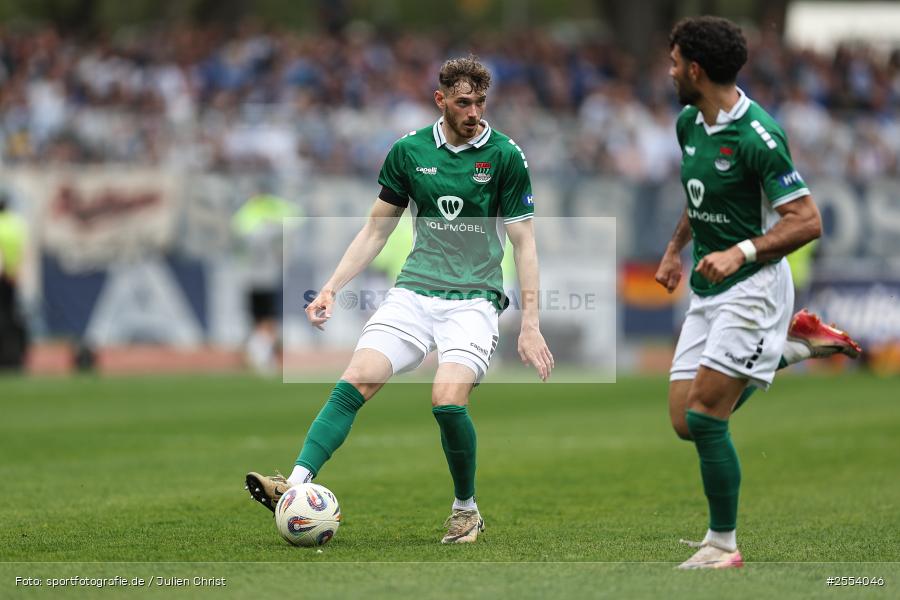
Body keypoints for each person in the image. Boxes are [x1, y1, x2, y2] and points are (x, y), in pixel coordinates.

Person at [246, 56, 554, 544]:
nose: (474, 111)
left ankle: (465, 509)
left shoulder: (504, 155)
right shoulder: (409, 152)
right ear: (441, 101)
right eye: (463, 102)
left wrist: (532, 322)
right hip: (413, 292)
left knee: (447, 402)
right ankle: (295, 485)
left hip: (473, 300)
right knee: (355, 379)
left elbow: (525, 243)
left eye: (480, 102)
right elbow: (376, 229)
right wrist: (331, 287)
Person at [654, 17, 862, 569]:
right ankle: (792, 348)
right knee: (683, 420)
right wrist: (676, 249)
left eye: (675, 62)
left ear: (695, 69)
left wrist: (741, 251)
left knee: (705, 418)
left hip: (754, 288)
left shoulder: (758, 136)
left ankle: (722, 544)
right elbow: (697, 195)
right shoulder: (688, 123)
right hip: (707, 285)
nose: (669, 70)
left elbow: (808, 221)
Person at [0, 195, 29, 370]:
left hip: (2, 274)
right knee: (11, 315)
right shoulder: (16, 224)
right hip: (13, 276)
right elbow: (21, 250)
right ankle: (14, 354)